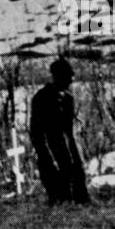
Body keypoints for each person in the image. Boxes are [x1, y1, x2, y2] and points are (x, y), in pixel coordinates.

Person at [30, 57, 90, 204]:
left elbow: (72, 129)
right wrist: (47, 156)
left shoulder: (69, 99)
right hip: (52, 153)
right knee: (60, 198)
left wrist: (78, 152)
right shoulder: (41, 98)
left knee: (80, 197)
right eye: (68, 76)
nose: (71, 80)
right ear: (57, 76)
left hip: (71, 152)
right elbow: (36, 131)